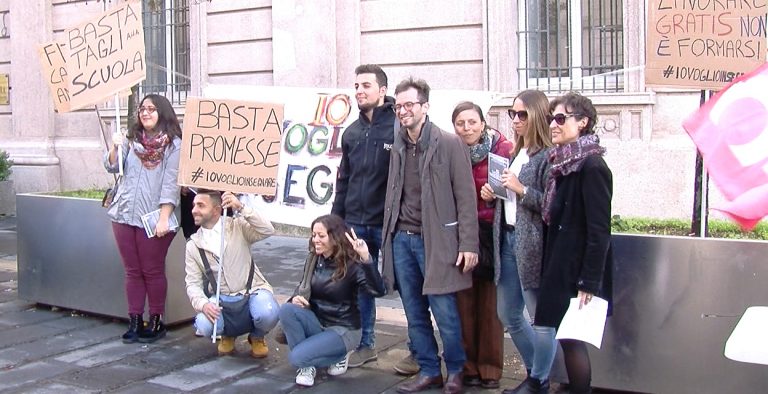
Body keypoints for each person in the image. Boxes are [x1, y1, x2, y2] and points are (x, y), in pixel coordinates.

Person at [381, 77, 479, 394]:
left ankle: (455, 371)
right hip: (402, 240)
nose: (403, 111)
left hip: (437, 243)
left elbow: (466, 199)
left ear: (425, 106)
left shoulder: (449, 144)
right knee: (413, 311)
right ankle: (427, 370)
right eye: (399, 106)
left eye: (409, 104)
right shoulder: (397, 145)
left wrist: (469, 244)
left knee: (445, 311)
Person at [481, 90, 557, 394]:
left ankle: (539, 379)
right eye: (513, 114)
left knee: (540, 319)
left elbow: (552, 206)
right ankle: (535, 373)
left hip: (533, 246)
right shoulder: (515, 151)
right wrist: (495, 194)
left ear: (538, 116)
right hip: (508, 240)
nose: (515, 120)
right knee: (509, 314)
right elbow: (509, 198)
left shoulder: (548, 156)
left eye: (522, 114)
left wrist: (522, 189)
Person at [538, 92, 613, 394]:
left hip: (578, 274)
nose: (553, 125)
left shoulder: (592, 166)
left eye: (560, 118)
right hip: (561, 266)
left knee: (573, 341)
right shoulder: (562, 164)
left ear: (582, 122)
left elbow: (599, 231)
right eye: (550, 119)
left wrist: (589, 281)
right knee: (566, 340)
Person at [331, 64, 399, 369]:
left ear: (382, 91)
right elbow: (344, 179)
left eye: (366, 86)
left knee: (406, 286)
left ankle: (418, 348)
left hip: (391, 224)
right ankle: (366, 344)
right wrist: (336, 219)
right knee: (360, 288)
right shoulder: (352, 132)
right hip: (356, 224)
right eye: (356, 85)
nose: (359, 91)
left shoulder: (398, 127)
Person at [105, 94, 181, 344]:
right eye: (142, 109)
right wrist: (115, 147)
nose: (145, 113)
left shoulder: (173, 146)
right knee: (132, 271)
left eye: (151, 109)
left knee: (152, 270)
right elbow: (112, 167)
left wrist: (164, 216)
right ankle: (135, 319)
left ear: (162, 112)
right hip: (124, 214)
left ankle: (156, 320)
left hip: (153, 218)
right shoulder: (131, 141)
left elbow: (171, 183)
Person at [278, 214, 386, 387]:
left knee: (296, 357)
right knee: (286, 310)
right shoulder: (313, 258)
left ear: (334, 237)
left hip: (344, 329)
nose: (316, 240)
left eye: (321, 236)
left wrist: (366, 258)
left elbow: (378, 291)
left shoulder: (353, 264)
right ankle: (307, 367)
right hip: (318, 322)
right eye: (314, 235)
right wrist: (295, 299)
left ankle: (335, 355)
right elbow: (302, 286)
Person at [451, 101, 511, 390]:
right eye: (461, 123)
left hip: (489, 231)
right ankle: (468, 366)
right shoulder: (450, 150)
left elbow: (514, 187)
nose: (467, 128)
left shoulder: (502, 149)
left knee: (489, 304)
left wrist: (496, 193)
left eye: (472, 122)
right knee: (463, 302)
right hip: (461, 233)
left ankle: (490, 368)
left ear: (483, 124)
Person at [184, 190, 279, 357]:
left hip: (252, 292)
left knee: (268, 312)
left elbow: (267, 229)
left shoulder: (237, 226)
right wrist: (203, 304)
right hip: (223, 299)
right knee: (203, 324)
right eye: (194, 205)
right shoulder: (193, 245)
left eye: (200, 205)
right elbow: (192, 283)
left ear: (216, 209)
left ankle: (257, 336)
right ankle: (228, 335)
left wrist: (241, 207)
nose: (194, 210)